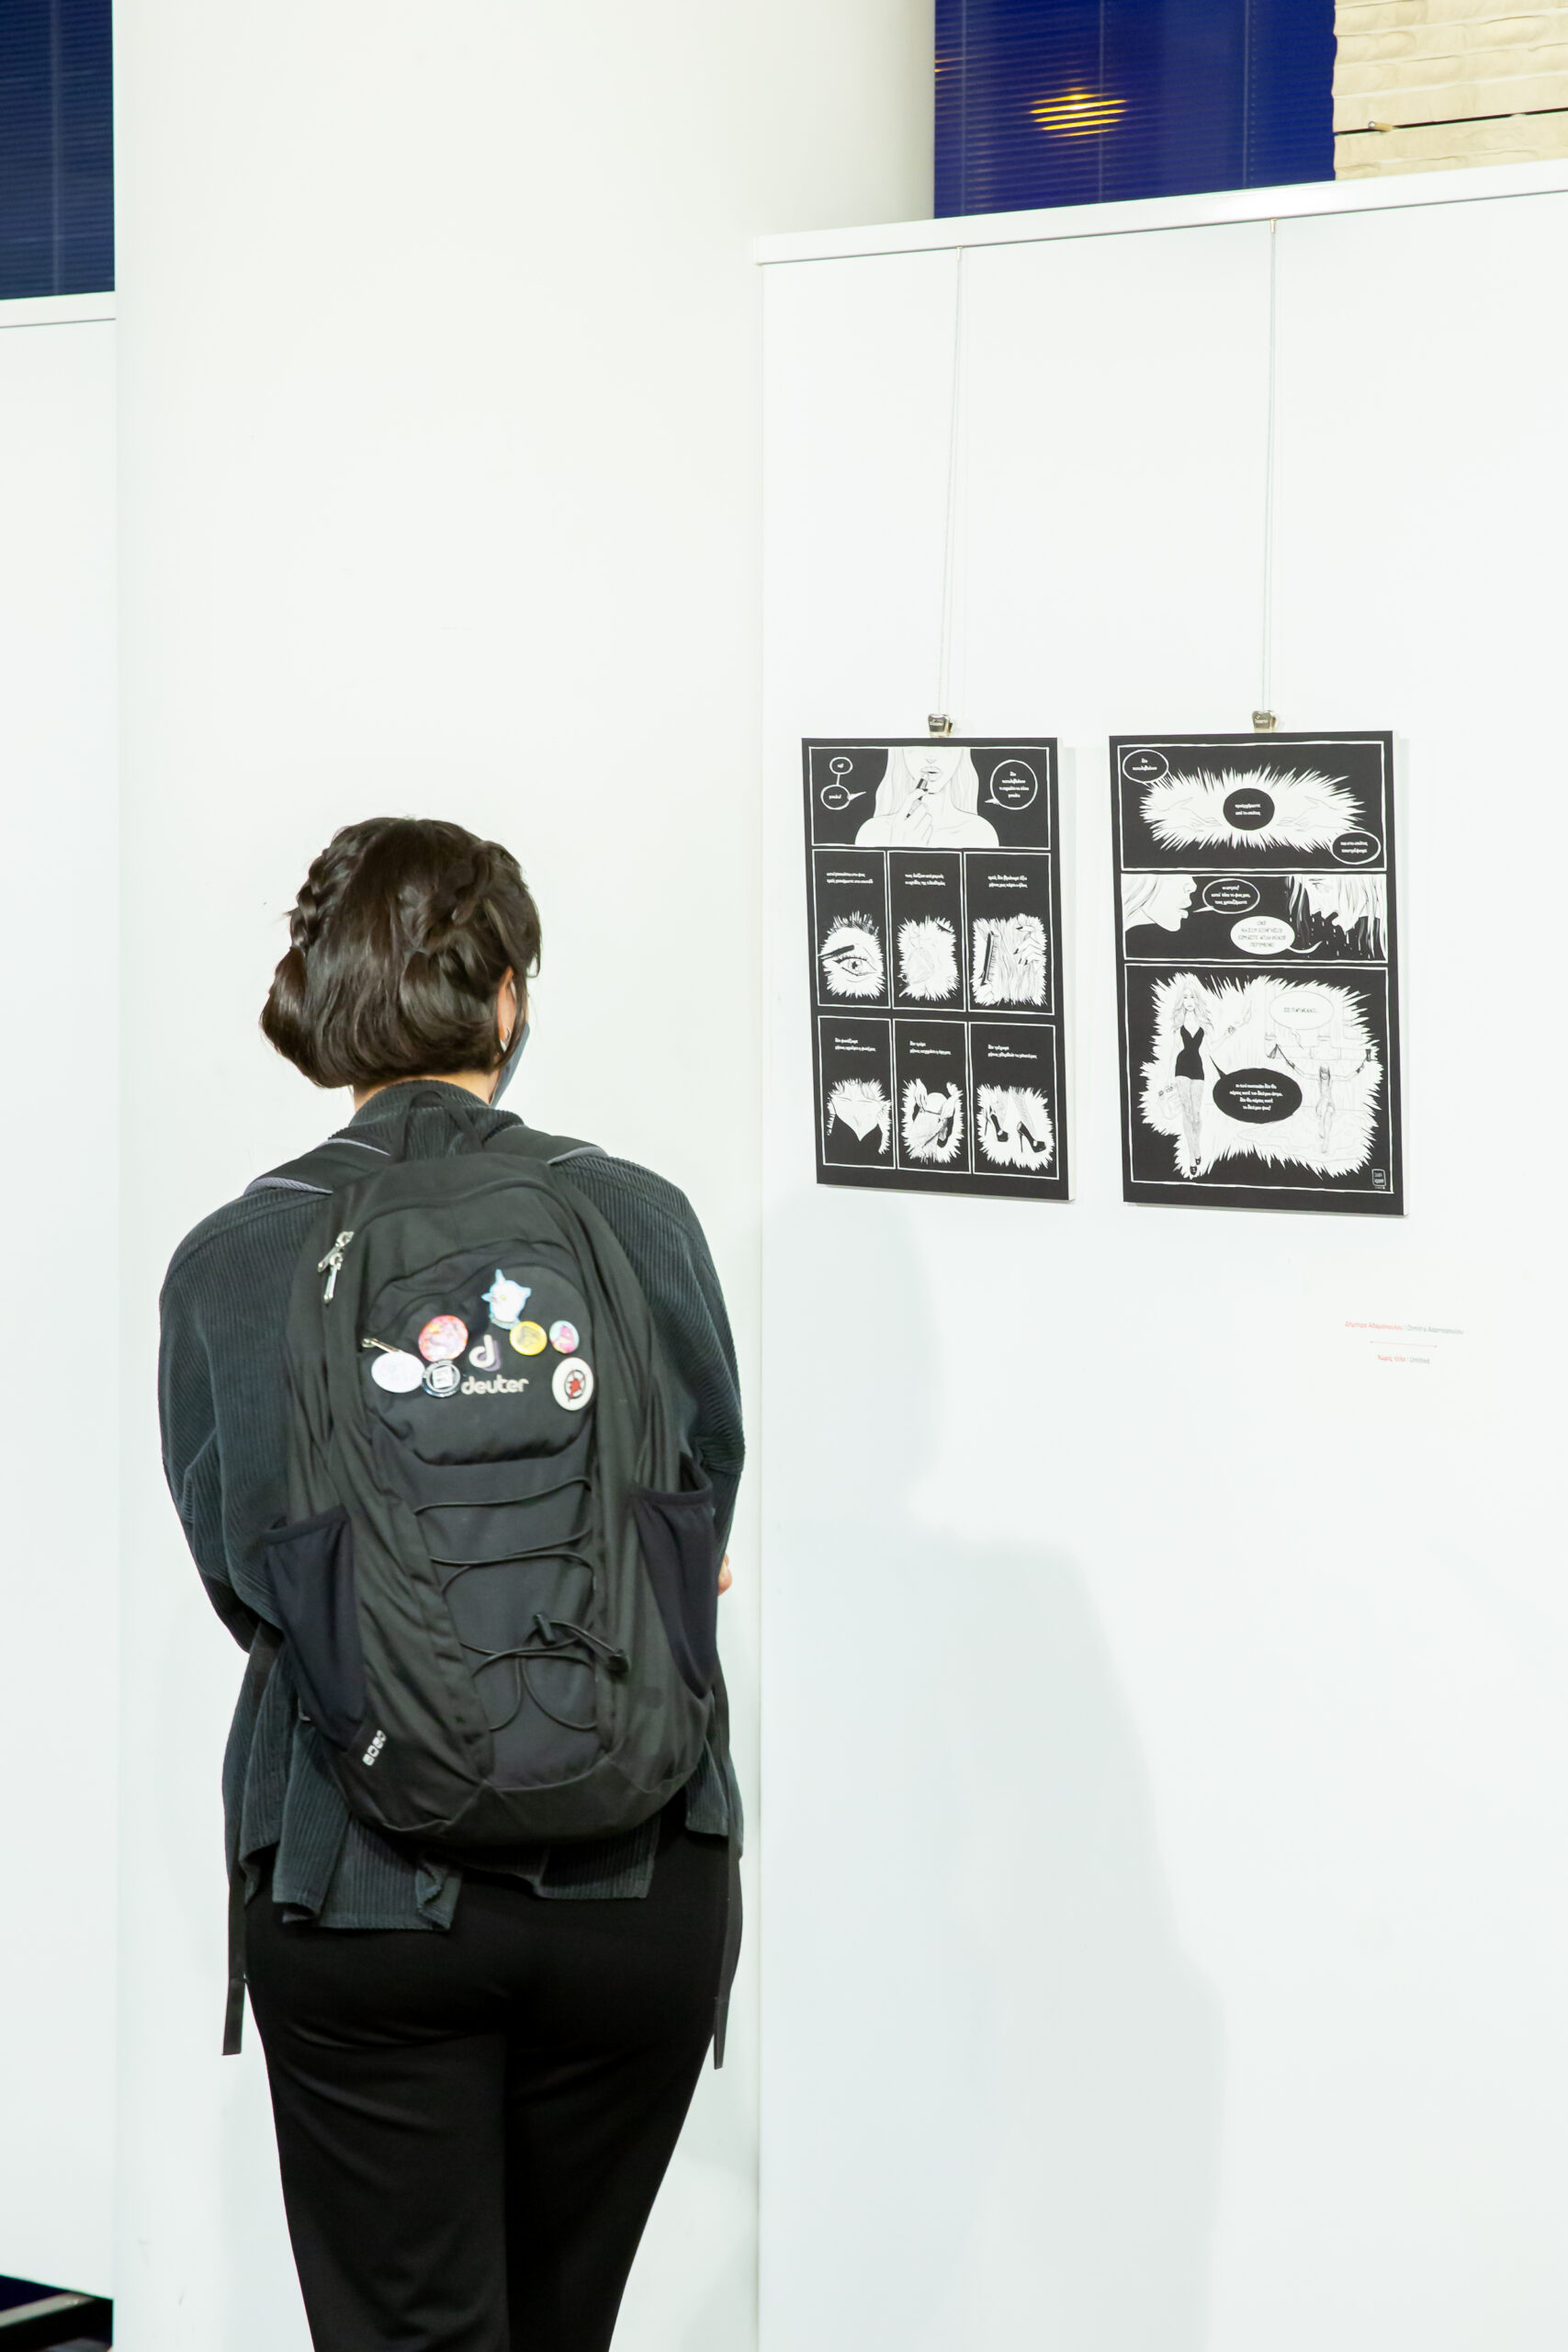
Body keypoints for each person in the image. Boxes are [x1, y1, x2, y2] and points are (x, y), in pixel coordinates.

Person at [159, 816, 743, 2352]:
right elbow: (698, 1504)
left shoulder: (237, 1255)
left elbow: (244, 1568)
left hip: (358, 1882)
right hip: (639, 1877)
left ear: (323, 1002)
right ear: (505, 997)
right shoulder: (634, 1214)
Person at [853, 744, 998, 847]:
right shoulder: (872, 832)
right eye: (916, 746)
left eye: (945, 746)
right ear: (901, 753)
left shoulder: (980, 832)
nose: (931, 757)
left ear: (961, 752)